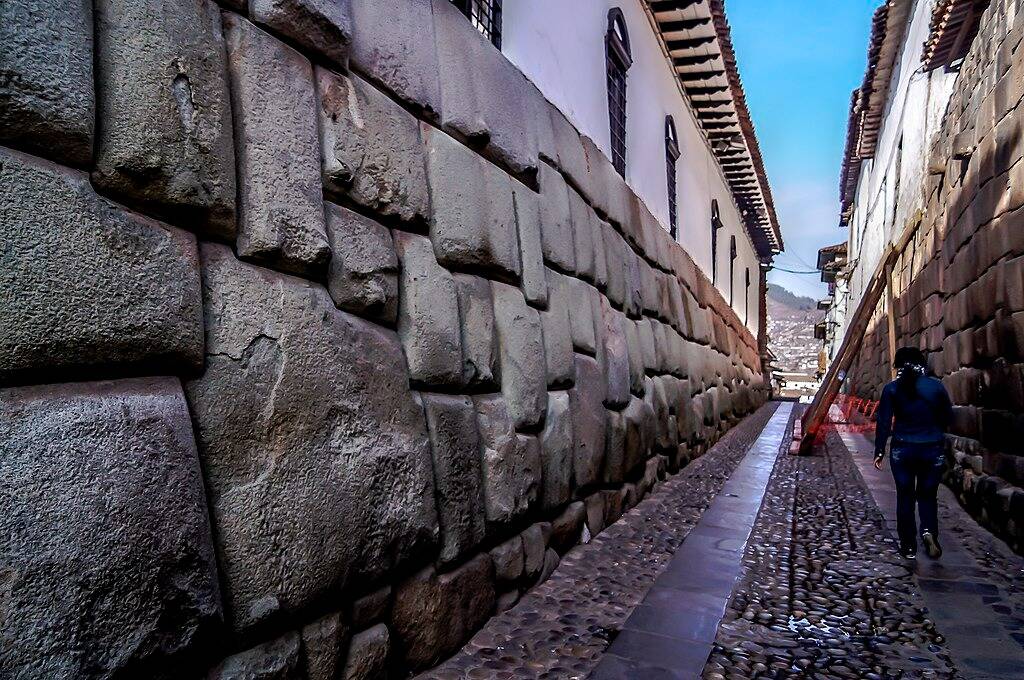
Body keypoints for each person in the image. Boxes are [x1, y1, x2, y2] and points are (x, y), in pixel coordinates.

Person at [873, 347, 953, 560]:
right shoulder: (936, 388)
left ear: (898, 366)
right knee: (928, 495)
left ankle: (908, 545)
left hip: (903, 448)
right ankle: (928, 532)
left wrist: (879, 450)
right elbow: (948, 417)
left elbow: (883, 422)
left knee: (905, 496)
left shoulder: (892, 389)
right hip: (932, 448)